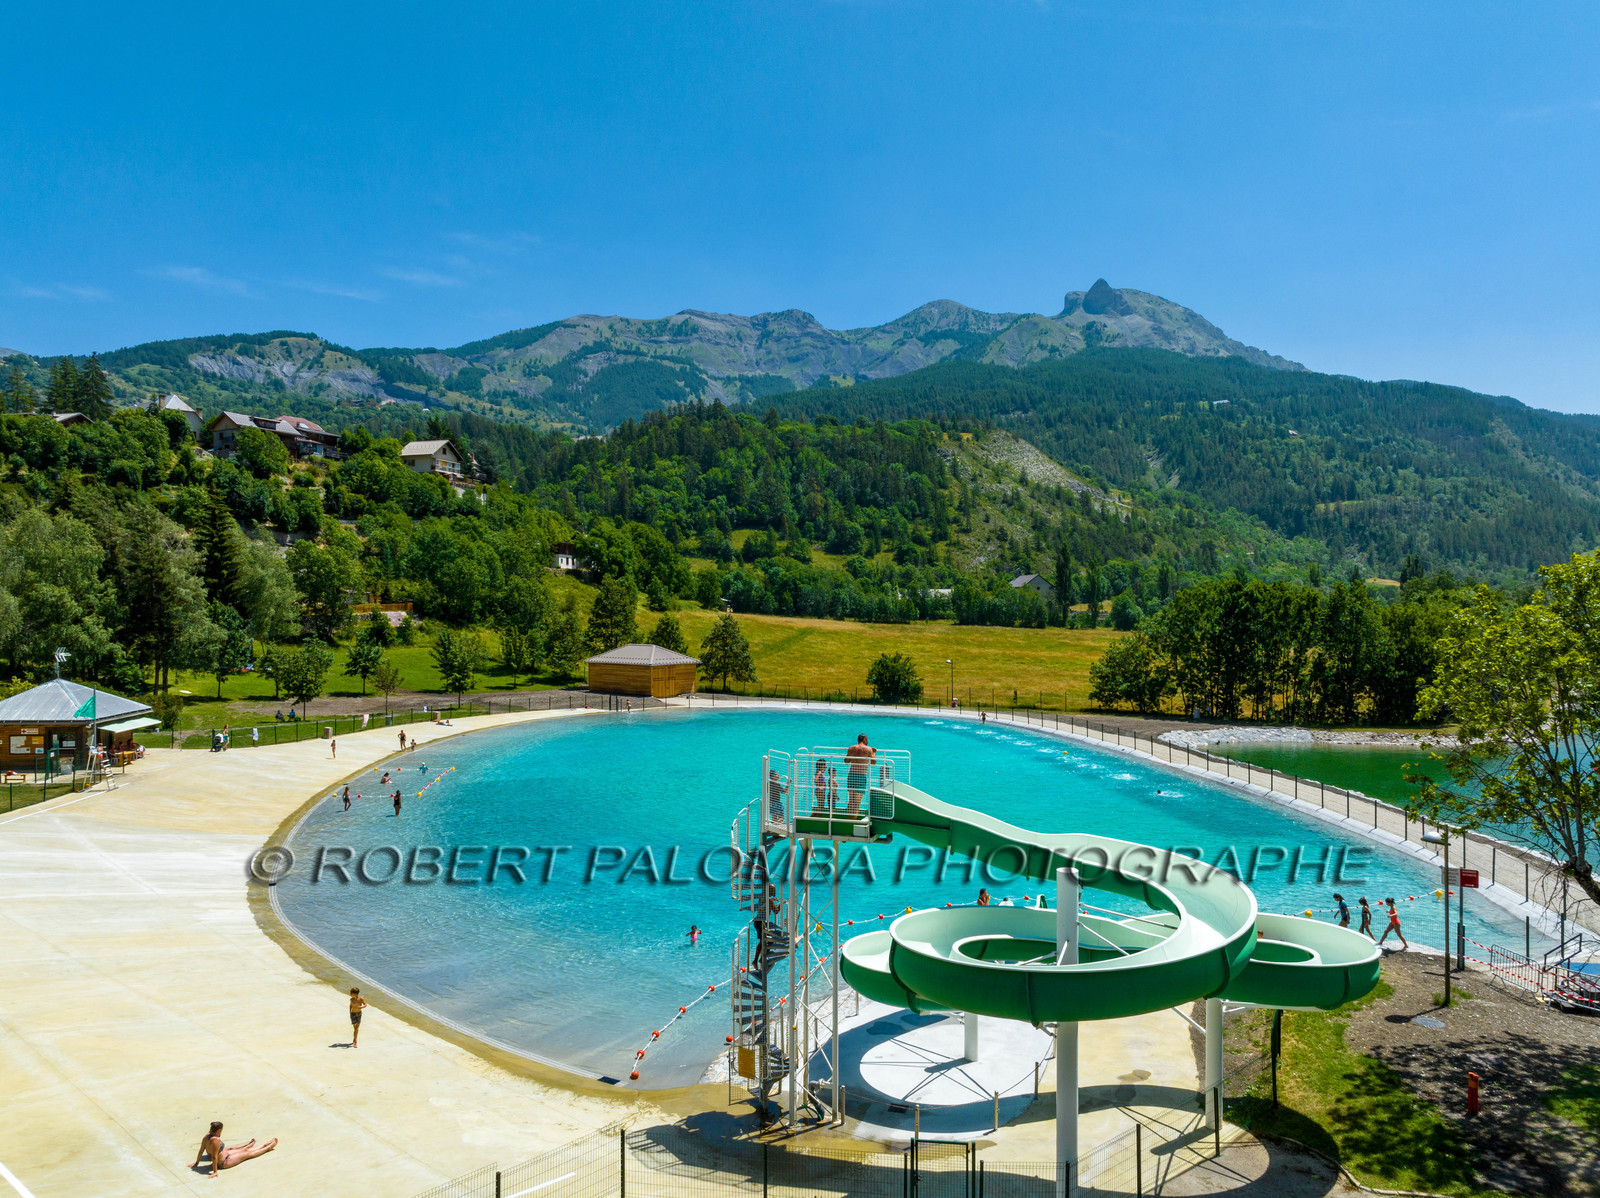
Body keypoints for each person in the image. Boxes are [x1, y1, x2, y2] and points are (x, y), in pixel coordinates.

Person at [193, 1122, 277, 1177]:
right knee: (248, 1154)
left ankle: (262, 1145)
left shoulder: (206, 1136)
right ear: (219, 1130)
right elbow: (214, 1157)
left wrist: (196, 1163)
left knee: (243, 1150)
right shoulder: (216, 1140)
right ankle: (267, 1148)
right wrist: (215, 1172)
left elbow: (201, 1151)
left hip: (225, 1154)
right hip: (224, 1161)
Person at [844, 734, 875, 814]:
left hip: (852, 775)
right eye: (867, 739)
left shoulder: (852, 748)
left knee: (851, 800)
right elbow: (873, 762)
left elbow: (846, 761)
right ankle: (852, 822)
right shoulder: (868, 749)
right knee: (857, 803)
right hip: (861, 775)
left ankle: (850, 820)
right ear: (864, 739)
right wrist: (874, 752)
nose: (868, 741)